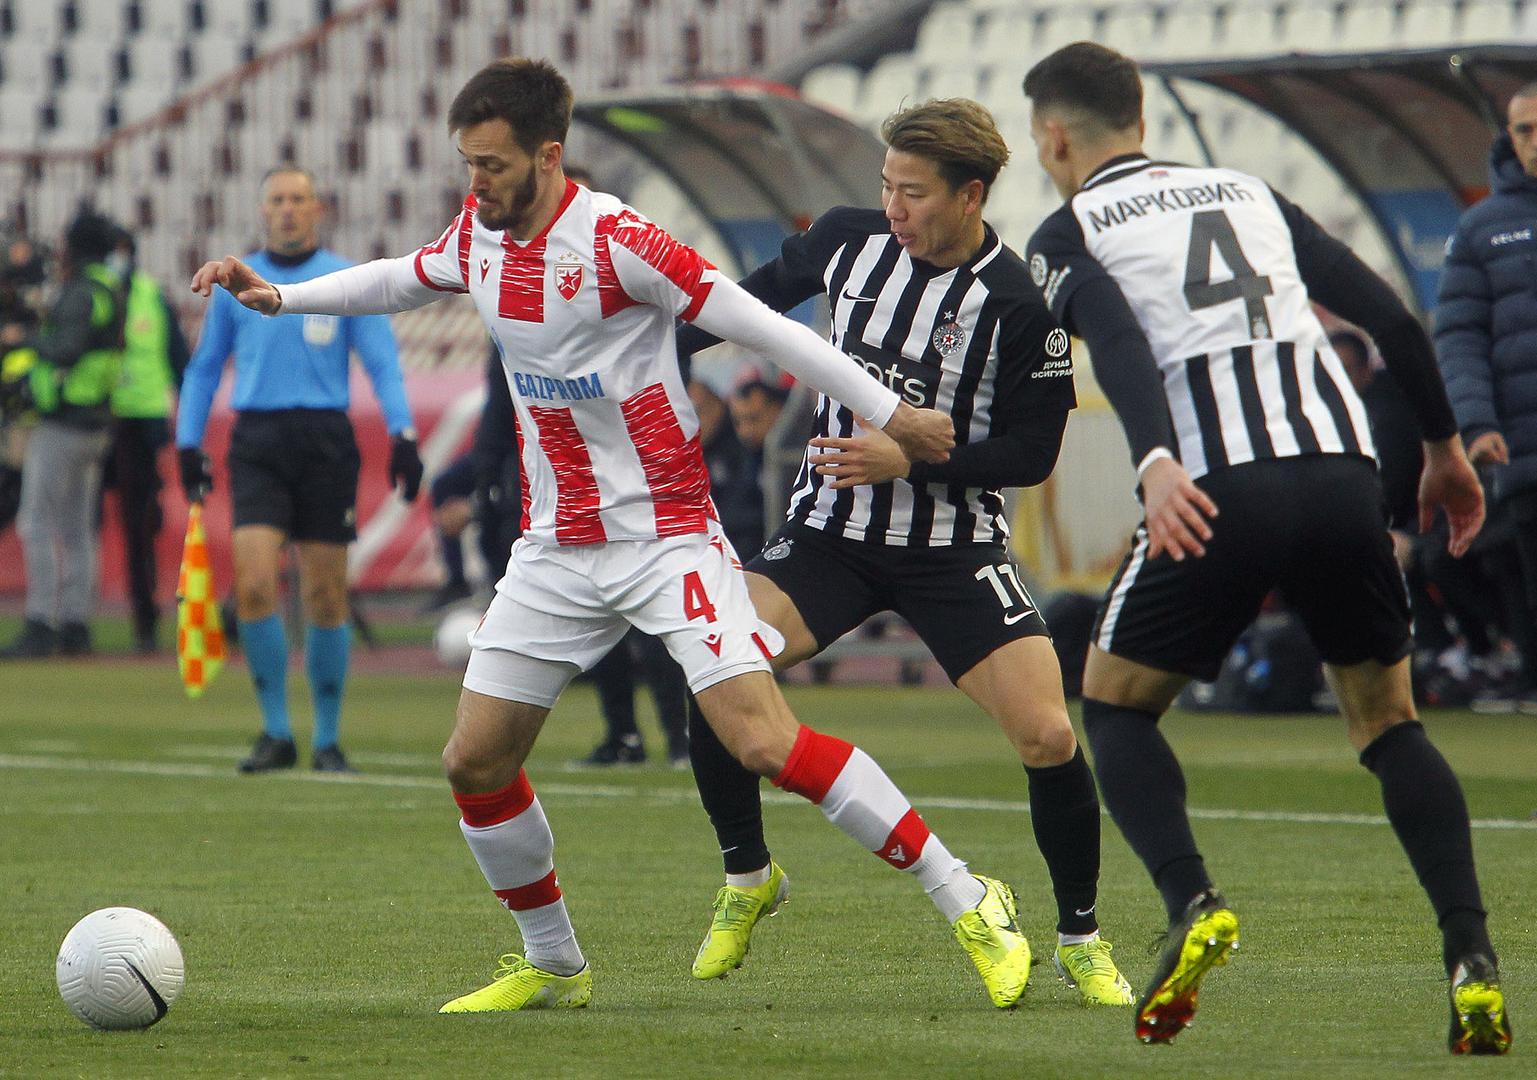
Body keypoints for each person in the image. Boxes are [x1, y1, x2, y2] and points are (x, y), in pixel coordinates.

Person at [190, 57, 1033, 1015]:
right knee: (474, 761)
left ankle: (968, 896)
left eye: (492, 165)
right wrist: (277, 297)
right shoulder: (479, 234)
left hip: (665, 538)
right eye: (468, 164)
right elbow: (399, 279)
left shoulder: (621, 241)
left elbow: (766, 328)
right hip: (556, 547)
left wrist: (892, 413)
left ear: (548, 156)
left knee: (762, 741)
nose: (476, 184)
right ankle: (554, 963)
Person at [1023, 41, 1510, 1053]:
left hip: (1215, 485)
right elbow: (1391, 320)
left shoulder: (1069, 229)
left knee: (1113, 705)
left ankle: (1192, 902)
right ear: (1142, 119)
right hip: (1340, 474)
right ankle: (1471, 956)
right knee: (1387, 722)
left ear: (1053, 137)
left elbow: (1118, 340)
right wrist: (1442, 450)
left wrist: (1154, 459)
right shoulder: (1248, 192)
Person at [674, 97, 1134, 1006]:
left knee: (1048, 734)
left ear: (970, 195)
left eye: (912, 193)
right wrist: (627, 348)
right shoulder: (846, 240)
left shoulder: (1020, 307)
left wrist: (916, 455)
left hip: (951, 548)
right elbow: (738, 306)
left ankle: (1080, 938)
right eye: (886, 185)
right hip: (828, 535)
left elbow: (1031, 455)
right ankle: (747, 874)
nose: (892, 207)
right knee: (717, 662)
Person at [177, 165, 424, 774]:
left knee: (325, 593)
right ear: (264, 211)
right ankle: (277, 731)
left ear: (318, 209)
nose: (288, 209)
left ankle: (328, 739)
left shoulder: (345, 280)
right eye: (278, 200)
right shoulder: (237, 284)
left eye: (298, 199)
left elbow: (382, 362)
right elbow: (205, 368)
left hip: (324, 441)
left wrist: (403, 432)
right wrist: (187, 442)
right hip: (258, 440)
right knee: (255, 585)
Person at [1435, 84, 1537, 715]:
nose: (1535, 142)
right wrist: (1475, 423)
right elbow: (1459, 336)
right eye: (1524, 130)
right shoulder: (1482, 227)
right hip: (1526, 450)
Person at [0, 212, 126, 659]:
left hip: (65, 418)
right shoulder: (110, 286)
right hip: (97, 419)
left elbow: (66, 347)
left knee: (36, 521)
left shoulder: (81, 290)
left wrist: (25, 338)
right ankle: (75, 623)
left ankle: (41, 621)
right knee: (76, 527)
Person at [106, 226, 190, 654]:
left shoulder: (150, 296)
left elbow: (179, 360)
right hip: (100, 419)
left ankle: (145, 617)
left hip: (139, 424)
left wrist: (186, 425)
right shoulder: (100, 294)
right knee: (98, 523)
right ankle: (68, 621)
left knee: (139, 525)